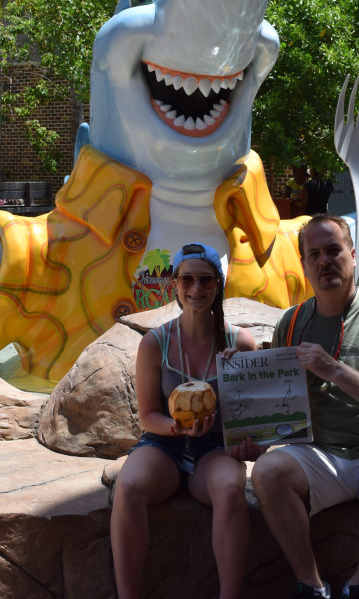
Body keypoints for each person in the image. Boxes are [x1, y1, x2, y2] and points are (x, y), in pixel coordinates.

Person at [251, 214, 359, 599]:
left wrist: (333, 369)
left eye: (333, 250)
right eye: (314, 254)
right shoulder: (292, 322)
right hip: (319, 453)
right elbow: (278, 402)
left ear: (352, 253)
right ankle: (312, 586)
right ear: (304, 265)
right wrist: (253, 435)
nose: (324, 260)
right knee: (266, 471)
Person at [111, 243, 258, 599]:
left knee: (229, 489)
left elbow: (252, 420)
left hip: (216, 448)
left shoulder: (240, 343)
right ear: (175, 285)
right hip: (165, 443)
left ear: (218, 284)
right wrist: (177, 428)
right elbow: (148, 417)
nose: (196, 288)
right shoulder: (154, 343)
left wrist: (238, 369)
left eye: (205, 279)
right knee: (128, 487)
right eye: (187, 279)